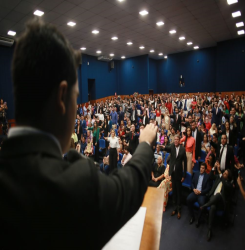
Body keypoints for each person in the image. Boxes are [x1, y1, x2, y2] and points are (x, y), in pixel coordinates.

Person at [0, 20, 158, 250]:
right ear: (62, 97)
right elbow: (128, 188)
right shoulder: (74, 185)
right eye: (76, 96)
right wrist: (145, 144)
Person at [201, 162, 233, 241]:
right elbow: (211, 176)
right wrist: (214, 168)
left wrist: (220, 172)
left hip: (221, 203)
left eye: (225, 174)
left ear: (228, 177)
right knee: (212, 207)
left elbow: (224, 183)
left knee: (218, 195)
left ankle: (205, 206)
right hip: (213, 200)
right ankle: (209, 230)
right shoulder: (219, 177)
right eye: (224, 173)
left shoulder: (229, 184)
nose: (223, 174)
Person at [160, 135, 187, 219]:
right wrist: (163, 147)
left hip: (179, 174)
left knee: (179, 192)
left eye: (177, 139)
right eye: (174, 139)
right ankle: (174, 209)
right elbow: (167, 148)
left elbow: (185, 163)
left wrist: (184, 175)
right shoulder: (172, 146)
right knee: (174, 192)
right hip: (173, 173)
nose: (175, 141)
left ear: (179, 141)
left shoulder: (183, 149)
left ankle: (179, 210)